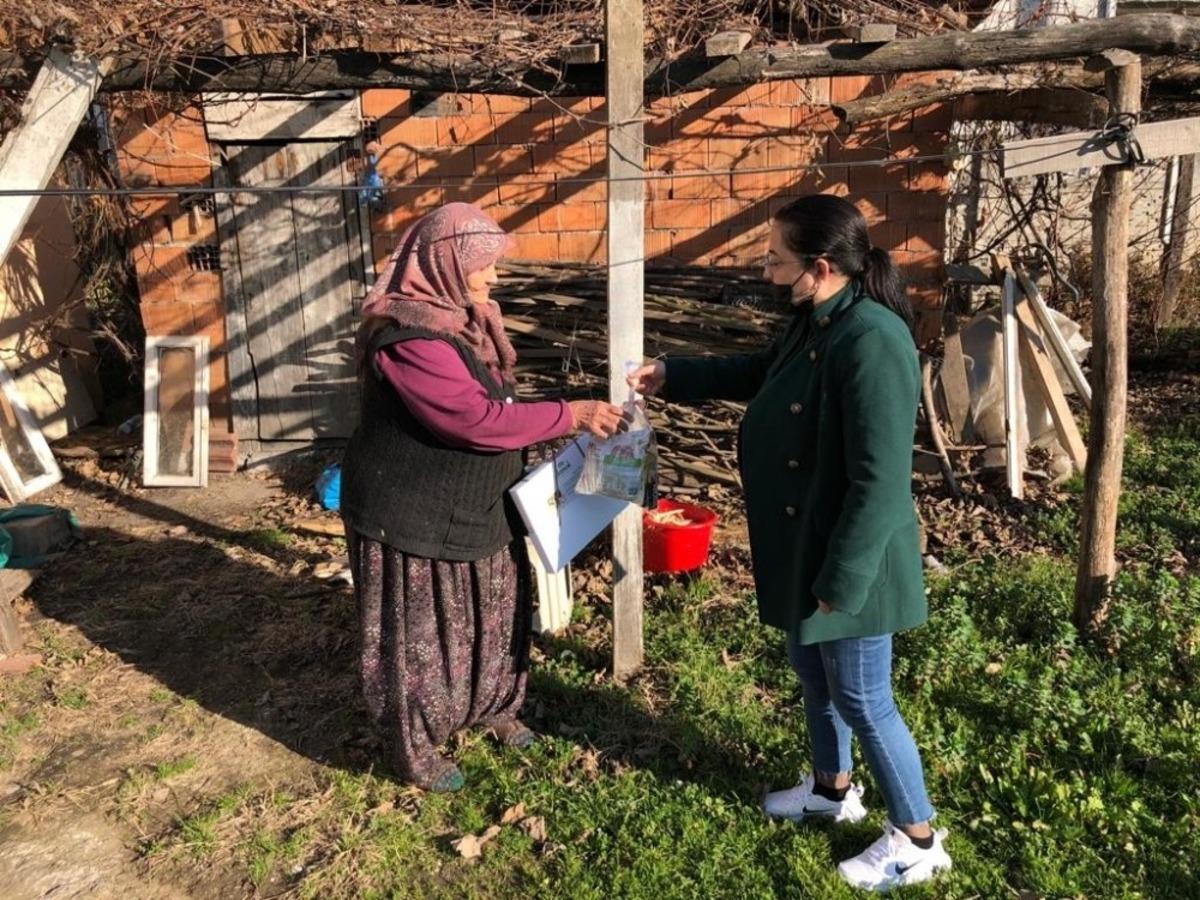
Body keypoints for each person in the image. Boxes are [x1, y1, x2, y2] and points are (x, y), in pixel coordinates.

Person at [628, 194, 952, 892]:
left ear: (822, 266)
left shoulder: (872, 340)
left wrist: (846, 580)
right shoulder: (815, 321)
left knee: (865, 697)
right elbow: (758, 371)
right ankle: (832, 790)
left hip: (849, 557)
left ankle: (916, 839)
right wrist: (673, 375)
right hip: (807, 541)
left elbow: (881, 481)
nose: (767, 271)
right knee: (813, 674)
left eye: (777, 259)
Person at [340, 203, 624, 792]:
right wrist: (572, 414)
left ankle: (491, 704)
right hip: (410, 510)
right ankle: (414, 745)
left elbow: (499, 406)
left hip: (474, 502)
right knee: (420, 633)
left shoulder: (467, 322)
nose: (494, 278)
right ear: (445, 265)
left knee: (491, 611)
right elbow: (473, 418)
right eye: (485, 267)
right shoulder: (407, 339)